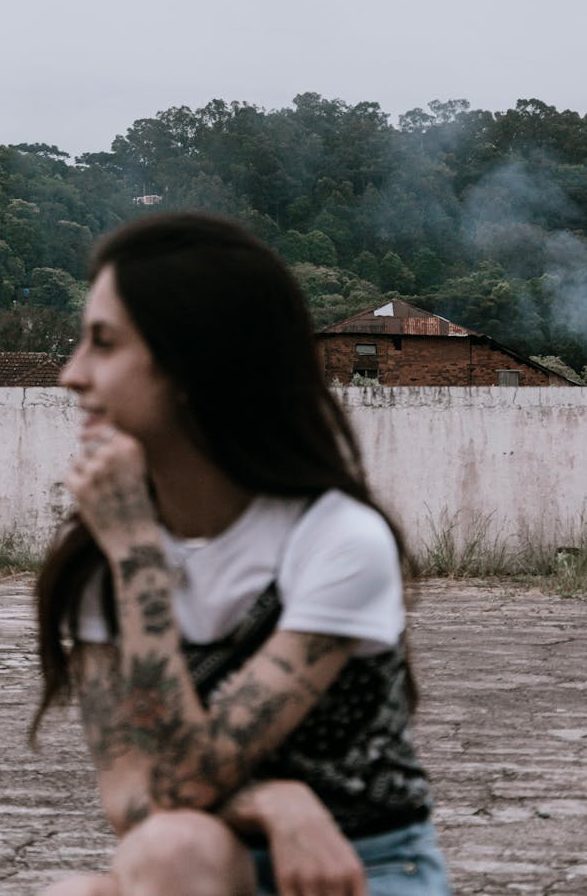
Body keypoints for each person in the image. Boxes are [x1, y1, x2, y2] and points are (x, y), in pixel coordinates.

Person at [33, 212, 451, 896]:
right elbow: (131, 801)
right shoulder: (102, 550)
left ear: (193, 364)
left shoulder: (337, 540)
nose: (71, 374)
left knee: (168, 855)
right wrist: (270, 801)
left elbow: (189, 781)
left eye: (103, 344)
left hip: (360, 870)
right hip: (202, 863)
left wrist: (139, 554)